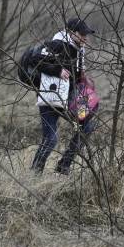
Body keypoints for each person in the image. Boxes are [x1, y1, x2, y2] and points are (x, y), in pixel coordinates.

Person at [30, 18, 97, 175]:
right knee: (51, 139)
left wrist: (84, 78)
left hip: (72, 97)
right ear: (71, 33)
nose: (85, 38)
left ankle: (63, 165)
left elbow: (76, 72)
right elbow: (35, 60)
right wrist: (57, 70)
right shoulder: (57, 44)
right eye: (82, 34)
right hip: (51, 98)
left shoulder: (79, 48)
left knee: (86, 127)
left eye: (86, 34)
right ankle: (35, 173)